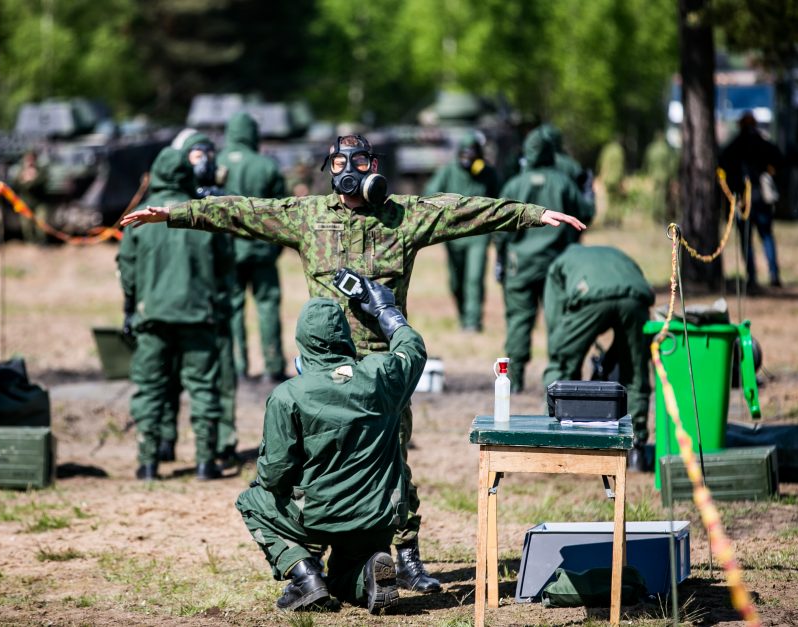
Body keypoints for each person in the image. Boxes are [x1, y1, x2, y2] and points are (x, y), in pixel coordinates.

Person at [121, 133, 585, 588]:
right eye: (340, 165)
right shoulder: (307, 216)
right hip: (321, 375)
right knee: (311, 464)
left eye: (360, 163)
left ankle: (405, 555)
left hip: (381, 368)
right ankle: (314, 557)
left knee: (393, 461)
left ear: (373, 167)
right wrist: (177, 213)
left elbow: (464, 209)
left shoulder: (402, 217)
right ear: (330, 171)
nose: (349, 173)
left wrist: (533, 213)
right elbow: (243, 211)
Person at [236, 279, 425, 613]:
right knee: (343, 577)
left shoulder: (288, 395)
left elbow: (274, 474)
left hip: (318, 515)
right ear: (345, 337)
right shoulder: (380, 375)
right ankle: (368, 573)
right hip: (378, 515)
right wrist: (385, 310)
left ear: (302, 342)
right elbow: (412, 348)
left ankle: (305, 575)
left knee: (252, 501)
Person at [117, 131, 236, 481]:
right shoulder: (200, 216)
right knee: (202, 388)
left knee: (151, 388)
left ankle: (149, 463)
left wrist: (130, 310)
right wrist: (218, 305)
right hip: (199, 315)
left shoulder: (139, 219)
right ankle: (204, 461)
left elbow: (127, 272)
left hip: (151, 315)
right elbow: (225, 268)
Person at [495, 127, 593, 393]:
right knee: (558, 320)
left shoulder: (514, 184)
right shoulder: (563, 182)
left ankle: (513, 380)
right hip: (555, 265)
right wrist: (587, 190)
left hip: (519, 265)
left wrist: (500, 260)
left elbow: (499, 226)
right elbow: (586, 214)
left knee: (518, 320)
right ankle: (558, 379)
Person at [542, 244, 655, 470]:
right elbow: (624, 299)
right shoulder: (619, 254)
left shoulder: (558, 264)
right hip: (635, 297)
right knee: (635, 369)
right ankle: (637, 449)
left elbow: (555, 321)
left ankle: (558, 439)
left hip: (590, 295)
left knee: (562, 365)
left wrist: (563, 350)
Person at [218, 112, 289, 384]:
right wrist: (276, 247)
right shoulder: (267, 166)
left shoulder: (219, 162)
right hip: (262, 251)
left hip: (228, 252)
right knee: (268, 306)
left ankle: (238, 366)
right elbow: (284, 212)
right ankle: (273, 366)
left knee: (233, 308)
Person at [424, 131, 500, 332]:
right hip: (454, 235)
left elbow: (501, 201)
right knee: (456, 281)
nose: (468, 159)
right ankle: (463, 316)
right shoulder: (449, 171)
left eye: (472, 155)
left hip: (478, 235)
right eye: (464, 155)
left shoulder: (488, 174)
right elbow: (430, 194)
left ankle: (473, 323)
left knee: (474, 279)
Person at [719, 111, 784, 290]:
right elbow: (779, 158)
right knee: (767, 236)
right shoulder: (763, 143)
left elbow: (722, 161)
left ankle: (752, 277)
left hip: (743, 200)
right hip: (760, 198)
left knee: (747, 240)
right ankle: (773, 274)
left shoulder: (735, 145)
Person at [596, 137, 626, 226]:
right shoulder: (619, 150)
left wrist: (600, 174)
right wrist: (622, 180)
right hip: (616, 178)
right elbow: (621, 166)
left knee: (609, 199)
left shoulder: (607, 149)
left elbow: (600, 162)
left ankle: (607, 219)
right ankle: (616, 220)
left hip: (607, 178)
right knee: (616, 200)